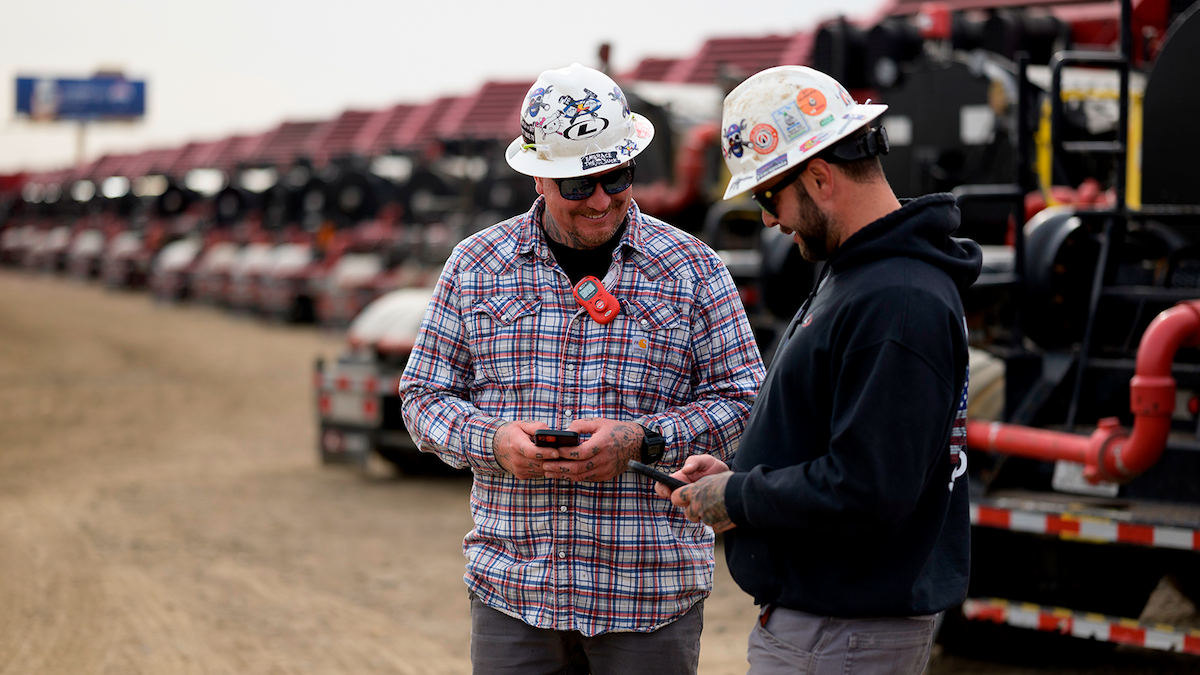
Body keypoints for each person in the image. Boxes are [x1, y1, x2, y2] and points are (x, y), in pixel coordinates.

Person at [399, 63, 765, 675]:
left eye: (616, 178)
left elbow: (746, 397)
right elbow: (423, 396)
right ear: (538, 176)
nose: (601, 200)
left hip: (649, 597)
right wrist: (493, 442)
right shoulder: (476, 266)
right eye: (578, 186)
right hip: (514, 594)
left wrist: (644, 438)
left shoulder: (693, 269)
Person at [657, 65, 982, 674]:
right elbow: (844, 445)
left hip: (845, 637)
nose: (770, 220)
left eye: (767, 196)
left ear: (820, 177)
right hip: (835, 631)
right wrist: (741, 472)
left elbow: (867, 489)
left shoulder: (897, 300)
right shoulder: (862, 275)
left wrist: (740, 494)